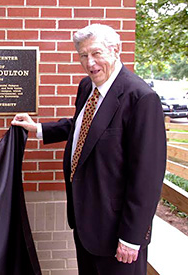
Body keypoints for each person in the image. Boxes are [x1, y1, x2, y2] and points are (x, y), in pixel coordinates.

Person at [12, 24, 166, 275]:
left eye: (97, 53)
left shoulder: (140, 98)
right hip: (86, 223)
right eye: (83, 55)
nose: (90, 62)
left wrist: (132, 236)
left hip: (118, 231)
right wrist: (39, 129)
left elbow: (147, 177)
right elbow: (84, 126)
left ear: (116, 50)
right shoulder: (88, 87)